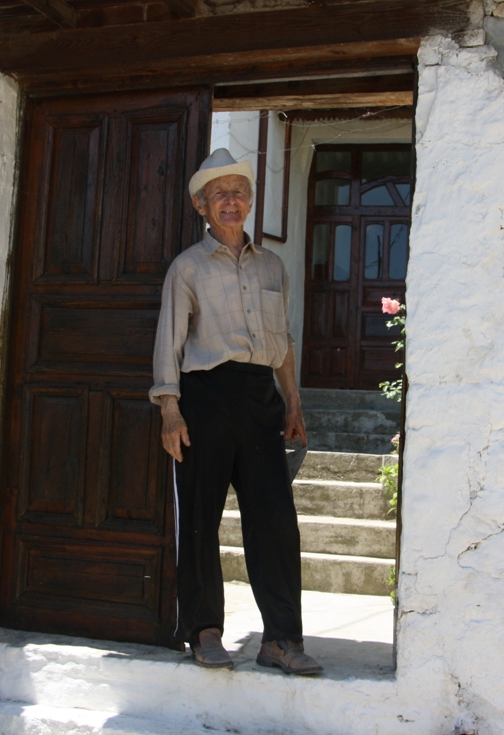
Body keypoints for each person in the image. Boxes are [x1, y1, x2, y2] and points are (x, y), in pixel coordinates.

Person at [149, 148, 322, 676]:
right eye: (220, 194)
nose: (232, 201)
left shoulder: (272, 266)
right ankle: (203, 630)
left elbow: (283, 340)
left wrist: (292, 402)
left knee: (275, 521)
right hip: (205, 397)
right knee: (200, 518)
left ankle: (281, 639)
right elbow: (169, 343)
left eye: (239, 192)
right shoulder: (188, 267)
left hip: (260, 398)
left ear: (250, 203)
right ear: (201, 205)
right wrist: (170, 411)